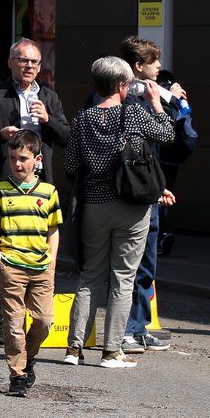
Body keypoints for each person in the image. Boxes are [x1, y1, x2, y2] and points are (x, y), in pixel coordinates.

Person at [64, 55, 174, 368]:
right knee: (123, 279)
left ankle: (73, 349)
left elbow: (71, 165)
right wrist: (156, 103)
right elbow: (167, 135)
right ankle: (111, 351)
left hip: (94, 205)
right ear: (122, 86)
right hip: (131, 206)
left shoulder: (83, 119)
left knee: (89, 277)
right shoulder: (133, 114)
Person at [0, 37, 70, 343]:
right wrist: (0, 133)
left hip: (40, 187)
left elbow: (65, 136)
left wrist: (48, 120)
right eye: (23, 60)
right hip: (5, 185)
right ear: (11, 62)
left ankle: (32, 320)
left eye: (35, 62)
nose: (29, 66)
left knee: (37, 252)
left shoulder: (48, 97)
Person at [0, 129, 63, 397]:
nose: (17, 164)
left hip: (41, 266)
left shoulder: (49, 192)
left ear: (37, 159)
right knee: (13, 324)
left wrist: (51, 260)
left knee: (44, 321)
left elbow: (53, 229)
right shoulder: (0, 191)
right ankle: (17, 375)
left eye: (23, 158)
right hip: (11, 264)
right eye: (13, 158)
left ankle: (29, 358)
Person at [124, 44, 196, 351]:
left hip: (150, 189)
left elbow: (179, 144)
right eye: (155, 62)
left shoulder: (156, 96)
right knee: (127, 264)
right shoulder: (126, 100)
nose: (159, 67)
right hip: (128, 193)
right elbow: (160, 136)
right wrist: (159, 105)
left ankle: (138, 327)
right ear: (139, 66)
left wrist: (176, 106)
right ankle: (124, 330)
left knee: (146, 265)